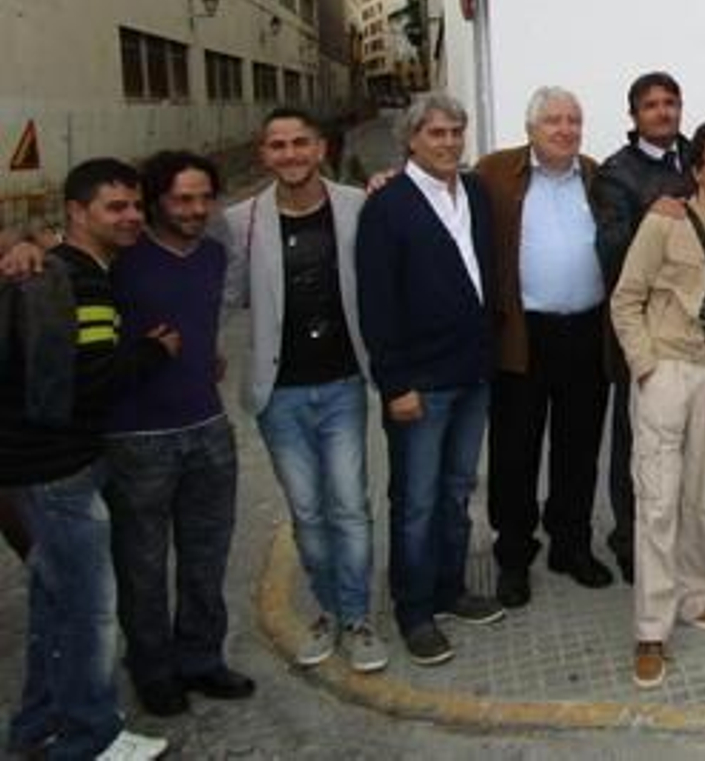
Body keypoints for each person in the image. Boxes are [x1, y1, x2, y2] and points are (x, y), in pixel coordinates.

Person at [1, 158, 174, 761]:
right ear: (77, 213)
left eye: (135, 207)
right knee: (91, 612)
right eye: (114, 208)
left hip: (37, 469)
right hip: (58, 472)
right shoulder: (81, 278)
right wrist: (155, 350)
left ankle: (38, 728)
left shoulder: (56, 266)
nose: (131, 218)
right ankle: (89, 738)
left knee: (54, 604)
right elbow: (92, 382)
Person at [223, 107, 386, 673]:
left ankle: (358, 619)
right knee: (308, 513)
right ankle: (327, 609)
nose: (290, 154)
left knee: (349, 508)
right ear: (263, 154)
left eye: (300, 143)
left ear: (320, 148)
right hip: (280, 394)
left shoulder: (357, 206)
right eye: (277, 145)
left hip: (342, 383)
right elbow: (220, 297)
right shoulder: (241, 221)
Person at [357, 93, 503, 666]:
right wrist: (395, 384)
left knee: (456, 491)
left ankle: (450, 590)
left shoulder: (476, 194)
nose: (448, 142)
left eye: (456, 132)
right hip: (420, 382)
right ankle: (413, 611)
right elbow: (377, 301)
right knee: (414, 500)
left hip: (472, 374)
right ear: (411, 140)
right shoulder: (388, 205)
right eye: (436, 133)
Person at [106, 152, 253, 717]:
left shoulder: (214, 257)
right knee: (142, 564)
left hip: (208, 427)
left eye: (202, 198)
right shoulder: (120, 257)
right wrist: (23, 243)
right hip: (137, 437)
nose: (194, 210)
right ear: (155, 202)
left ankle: (200, 658)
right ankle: (152, 668)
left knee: (206, 556)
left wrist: (207, 355)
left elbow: (203, 326)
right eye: (180, 199)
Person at [609, 121, 705, 690]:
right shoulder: (662, 221)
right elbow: (627, 299)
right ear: (696, 170)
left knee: (702, 495)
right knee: (659, 499)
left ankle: (697, 595)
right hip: (665, 370)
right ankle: (651, 628)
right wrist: (644, 365)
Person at [477, 87, 613, 607]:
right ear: (531, 128)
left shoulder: (597, 175)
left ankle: (571, 545)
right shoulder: (494, 172)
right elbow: (441, 192)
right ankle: (514, 555)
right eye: (553, 121)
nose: (565, 129)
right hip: (521, 335)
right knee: (515, 451)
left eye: (573, 120)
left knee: (578, 449)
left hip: (586, 331)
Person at [594, 72, 695, 583]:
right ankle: (630, 542)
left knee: (688, 442)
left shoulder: (699, 158)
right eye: (651, 105)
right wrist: (647, 220)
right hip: (644, 331)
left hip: (697, 329)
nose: (663, 112)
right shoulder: (617, 175)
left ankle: (684, 538)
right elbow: (610, 250)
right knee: (636, 441)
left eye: (670, 102)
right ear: (634, 116)